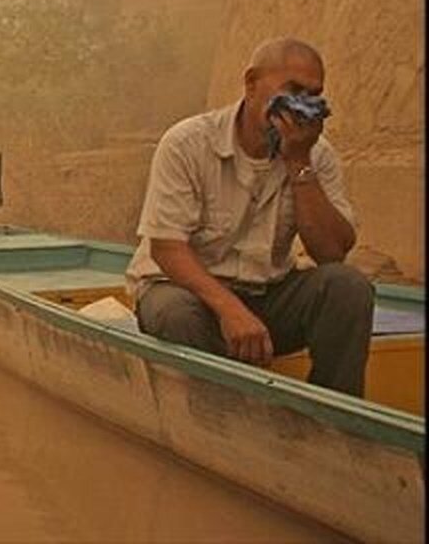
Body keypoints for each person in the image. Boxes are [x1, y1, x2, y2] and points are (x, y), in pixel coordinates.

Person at [125, 37, 373, 396]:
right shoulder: (187, 143)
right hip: (190, 296)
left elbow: (331, 253)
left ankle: (332, 418)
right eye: (293, 91)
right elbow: (167, 248)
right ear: (252, 83)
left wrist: (299, 162)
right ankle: (215, 418)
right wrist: (230, 310)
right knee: (175, 314)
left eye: (313, 95)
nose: (302, 105)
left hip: (267, 296)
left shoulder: (316, 154)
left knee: (348, 288)